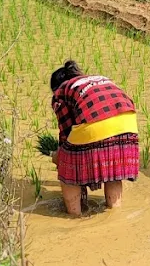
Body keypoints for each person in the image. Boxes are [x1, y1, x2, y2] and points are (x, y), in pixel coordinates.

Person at [49, 61, 140, 216]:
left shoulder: (60, 92)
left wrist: (59, 156)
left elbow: (66, 132)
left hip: (97, 125)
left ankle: (74, 216)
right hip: (128, 125)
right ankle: (115, 213)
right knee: (113, 172)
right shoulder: (99, 79)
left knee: (67, 167)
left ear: (55, 87)